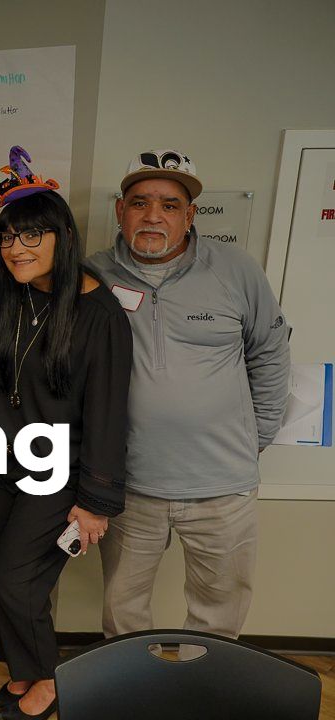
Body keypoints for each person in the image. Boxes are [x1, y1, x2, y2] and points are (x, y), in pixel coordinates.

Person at [87, 150, 290, 645]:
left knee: (219, 612)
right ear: (120, 210)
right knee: (122, 609)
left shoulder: (237, 270)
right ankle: (134, 690)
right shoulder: (93, 274)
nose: (153, 215)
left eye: (170, 205)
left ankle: (203, 694)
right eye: (139, 203)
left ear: (190, 215)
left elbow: (270, 354)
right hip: (129, 486)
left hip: (222, 486)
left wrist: (252, 439)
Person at [0, 162, 132, 719]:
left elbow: (110, 414)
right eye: (8, 236)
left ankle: (49, 678)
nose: (16, 248)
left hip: (61, 471)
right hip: (13, 463)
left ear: (63, 237)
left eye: (31, 235)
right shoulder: (9, 286)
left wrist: (94, 503)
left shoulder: (98, 312)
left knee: (14, 579)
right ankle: (21, 672)